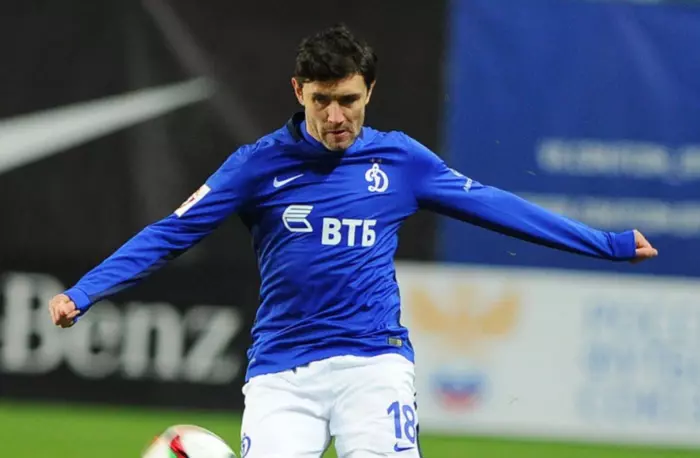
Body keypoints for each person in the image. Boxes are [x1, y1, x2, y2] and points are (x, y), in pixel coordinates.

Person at [48, 24, 657, 458]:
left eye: (348, 100)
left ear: (369, 92)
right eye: (322, 101)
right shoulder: (256, 166)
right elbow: (172, 231)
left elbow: (496, 206)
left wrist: (605, 244)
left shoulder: (401, 162)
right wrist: (86, 291)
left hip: (373, 363)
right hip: (282, 371)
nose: (336, 117)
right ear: (298, 92)